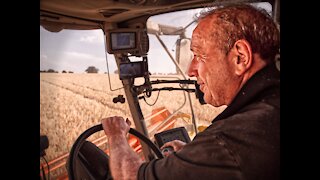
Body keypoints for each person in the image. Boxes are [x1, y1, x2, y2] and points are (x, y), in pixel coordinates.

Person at [101, 3, 280, 180]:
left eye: (198, 55)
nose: (191, 70)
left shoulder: (226, 141)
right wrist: (193, 157)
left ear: (240, 57)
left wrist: (116, 135)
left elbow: (129, 176)